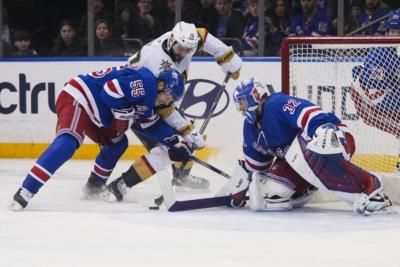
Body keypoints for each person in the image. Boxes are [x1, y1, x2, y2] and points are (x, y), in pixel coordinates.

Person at [9, 66, 185, 211]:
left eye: (171, 101)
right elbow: (110, 91)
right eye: (168, 96)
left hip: (100, 114)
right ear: (161, 85)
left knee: (118, 143)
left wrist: (176, 145)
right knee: (68, 142)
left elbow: (152, 126)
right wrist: (124, 111)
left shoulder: (150, 103)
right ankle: (26, 190)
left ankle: (94, 185)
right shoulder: (146, 83)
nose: (167, 102)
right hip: (80, 98)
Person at [221, 78, 393, 215]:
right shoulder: (250, 129)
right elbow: (256, 168)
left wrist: (321, 130)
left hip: (332, 137)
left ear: (255, 96)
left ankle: (370, 187)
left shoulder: (275, 104)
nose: (242, 109)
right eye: (239, 105)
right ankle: (306, 187)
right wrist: (240, 185)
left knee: (303, 151)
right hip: (299, 161)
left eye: (243, 103)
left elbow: (310, 114)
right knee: (269, 193)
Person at [108, 21, 242, 194]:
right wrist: (187, 131)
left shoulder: (184, 40)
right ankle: (118, 187)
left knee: (184, 139)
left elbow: (203, 34)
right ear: (171, 41)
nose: (185, 53)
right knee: (162, 152)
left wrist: (225, 55)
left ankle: (181, 176)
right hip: (139, 107)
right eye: (182, 49)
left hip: (158, 101)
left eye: (189, 50)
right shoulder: (155, 63)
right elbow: (164, 109)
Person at [351, 9, 400, 169]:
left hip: (382, 96)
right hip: (367, 103)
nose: (394, 35)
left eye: (398, 31)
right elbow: (375, 97)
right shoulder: (381, 52)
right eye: (392, 30)